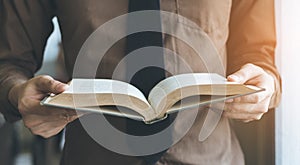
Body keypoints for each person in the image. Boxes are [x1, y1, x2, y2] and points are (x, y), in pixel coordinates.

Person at [0, 0, 281, 164]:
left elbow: (259, 55)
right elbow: (8, 64)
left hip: (212, 156)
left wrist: (264, 85)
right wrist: (18, 94)